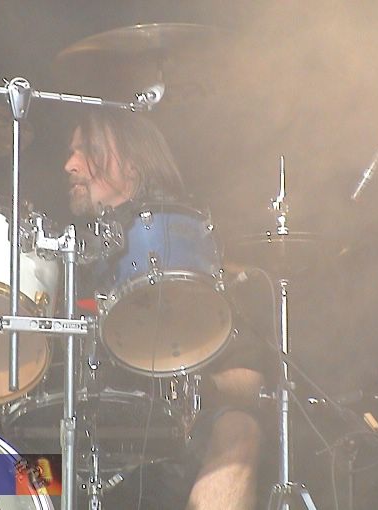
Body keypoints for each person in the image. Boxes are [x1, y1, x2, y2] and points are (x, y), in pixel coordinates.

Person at [62, 108, 266, 510]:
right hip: (72, 441)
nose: (69, 165)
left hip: (175, 446)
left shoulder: (190, 249)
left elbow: (251, 382)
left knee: (240, 430)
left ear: (133, 167)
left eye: (87, 151)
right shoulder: (61, 254)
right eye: (71, 152)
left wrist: (193, 387)